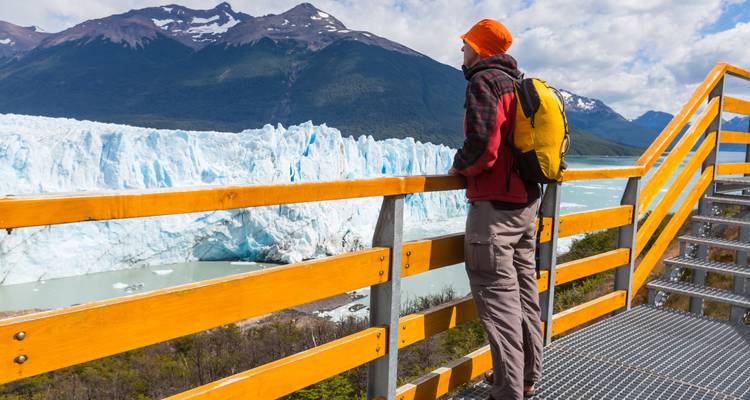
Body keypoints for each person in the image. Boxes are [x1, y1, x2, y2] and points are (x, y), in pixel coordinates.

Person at [448, 19, 543, 400]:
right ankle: (527, 377)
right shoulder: (518, 82)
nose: (462, 50)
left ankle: (507, 391)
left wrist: (459, 165)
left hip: (495, 211)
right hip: (525, 205)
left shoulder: (485, 81)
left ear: (480, 48)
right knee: (523, 292)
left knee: (497, 298)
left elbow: (484, 145)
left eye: (466, 43)